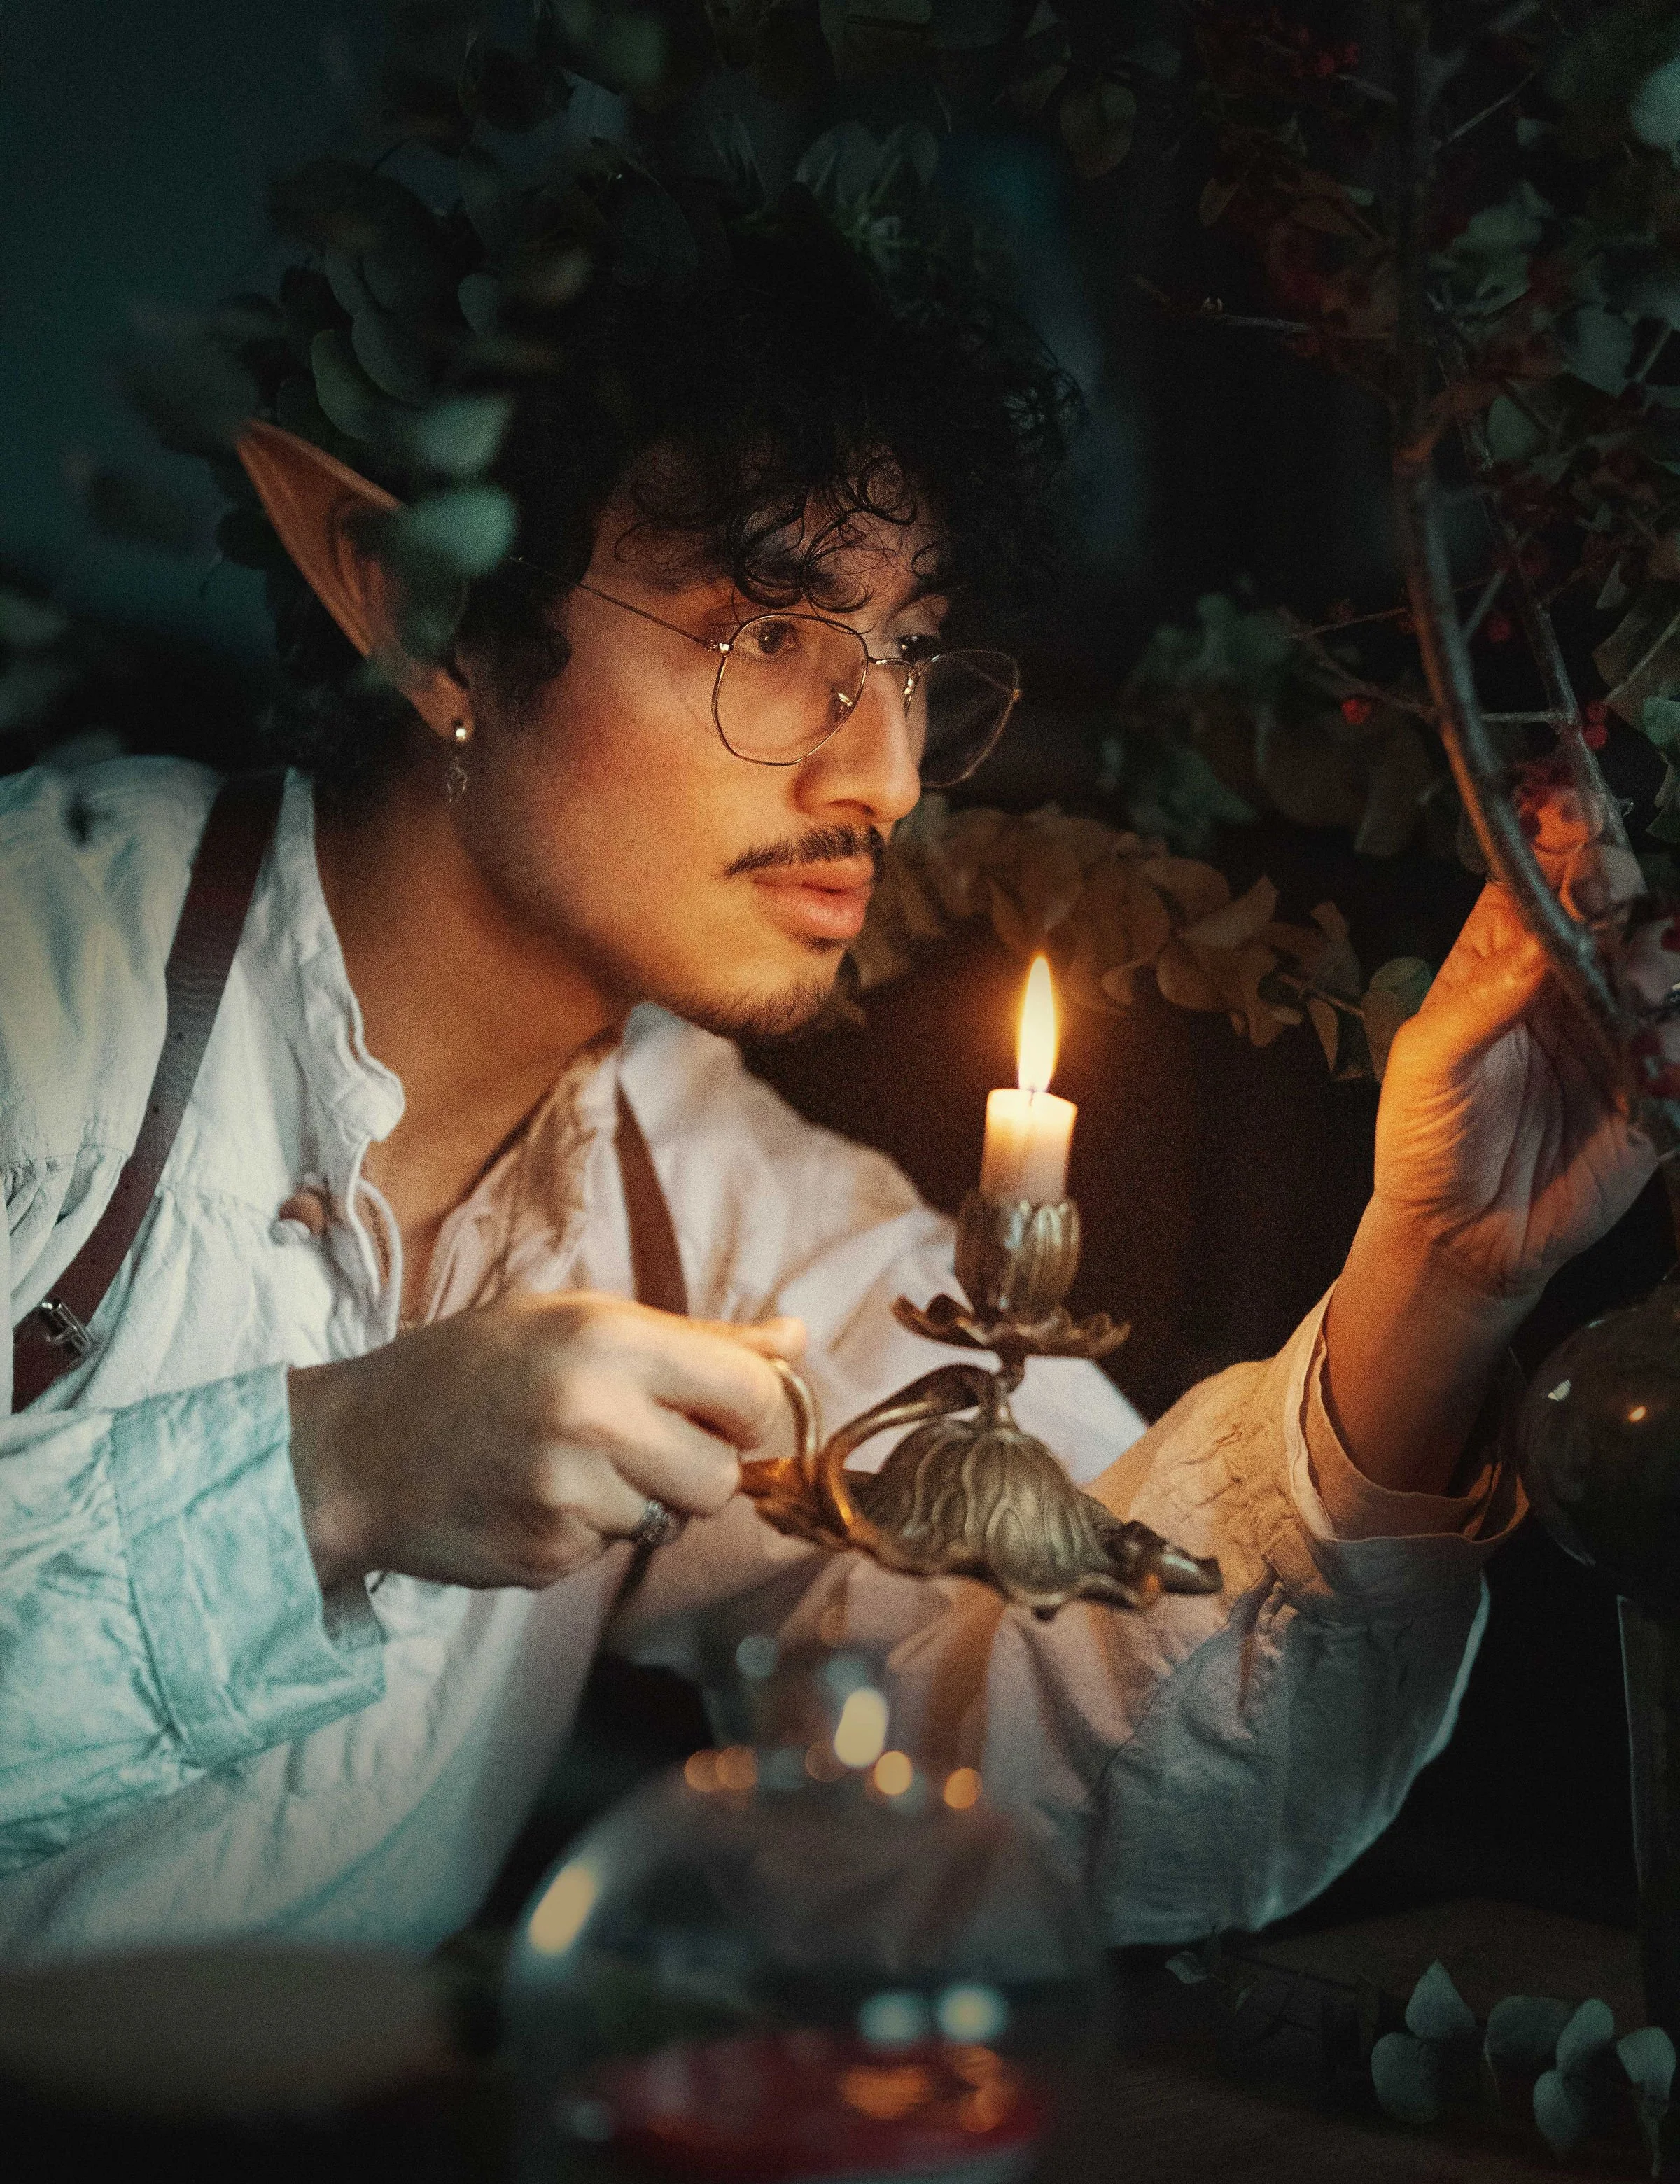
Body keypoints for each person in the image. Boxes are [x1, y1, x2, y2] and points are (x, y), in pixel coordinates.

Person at [0, 214, 1659, 1961]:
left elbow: (1089, 1762)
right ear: (438, 626)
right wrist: (329, 1474)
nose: (884, 771)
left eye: (913, 655)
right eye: (767, 632)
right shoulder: (55, 983)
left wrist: (1438, 1280)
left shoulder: (706, 1196)